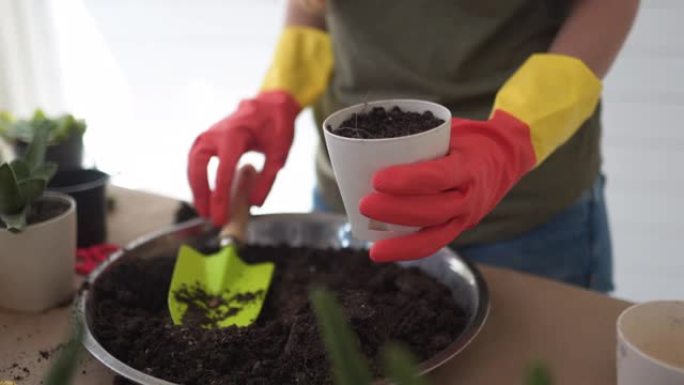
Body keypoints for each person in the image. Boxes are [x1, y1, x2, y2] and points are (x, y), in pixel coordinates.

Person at [188, 0, 639, 292]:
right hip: (348, 200)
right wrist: (279, 94)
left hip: (521, 220)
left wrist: (513, 139)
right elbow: (312, 8)